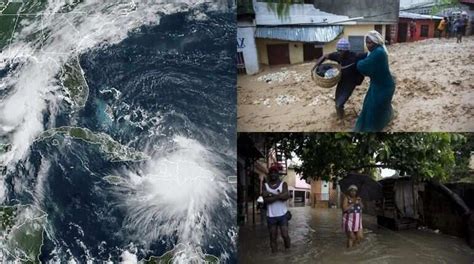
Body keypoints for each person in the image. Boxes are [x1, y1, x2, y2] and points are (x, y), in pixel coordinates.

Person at [312, 38, 367, 119]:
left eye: (341, 51)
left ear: (347, 51)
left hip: (351, 82)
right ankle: (340, 118)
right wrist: (314, 67)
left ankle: (341, 123)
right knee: (337, 103)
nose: (339, 53)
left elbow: (370, 55)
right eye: (338, 50)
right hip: (341, 81)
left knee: (339, 104)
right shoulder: (338, 55)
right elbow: (325, 56)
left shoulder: (356, 56)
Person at [354, 31, 395, 132]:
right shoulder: (377, 51)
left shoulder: (378, 53)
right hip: (378, 84)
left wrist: (357, 62)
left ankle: (371, 128)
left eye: (370, 43)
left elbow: (363, 66)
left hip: (384, 87)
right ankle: (385, 119)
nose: (368, 45)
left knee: (373, 108)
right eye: (366, 42)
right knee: (369, 105)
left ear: (376, 42)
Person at [262, 166, 290, 252]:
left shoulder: (283, 184)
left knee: (285, 235)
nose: (273, 174)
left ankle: (288, 253)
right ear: (269, 174)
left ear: (278, 174)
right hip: (271, 216)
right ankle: (274, 256)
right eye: (271, 172)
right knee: (272, 237)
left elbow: (286, 196)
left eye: (275, 172)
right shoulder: (265, 186)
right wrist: (279, 196)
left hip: (283, 215)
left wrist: (271, 195)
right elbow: (266, 200)